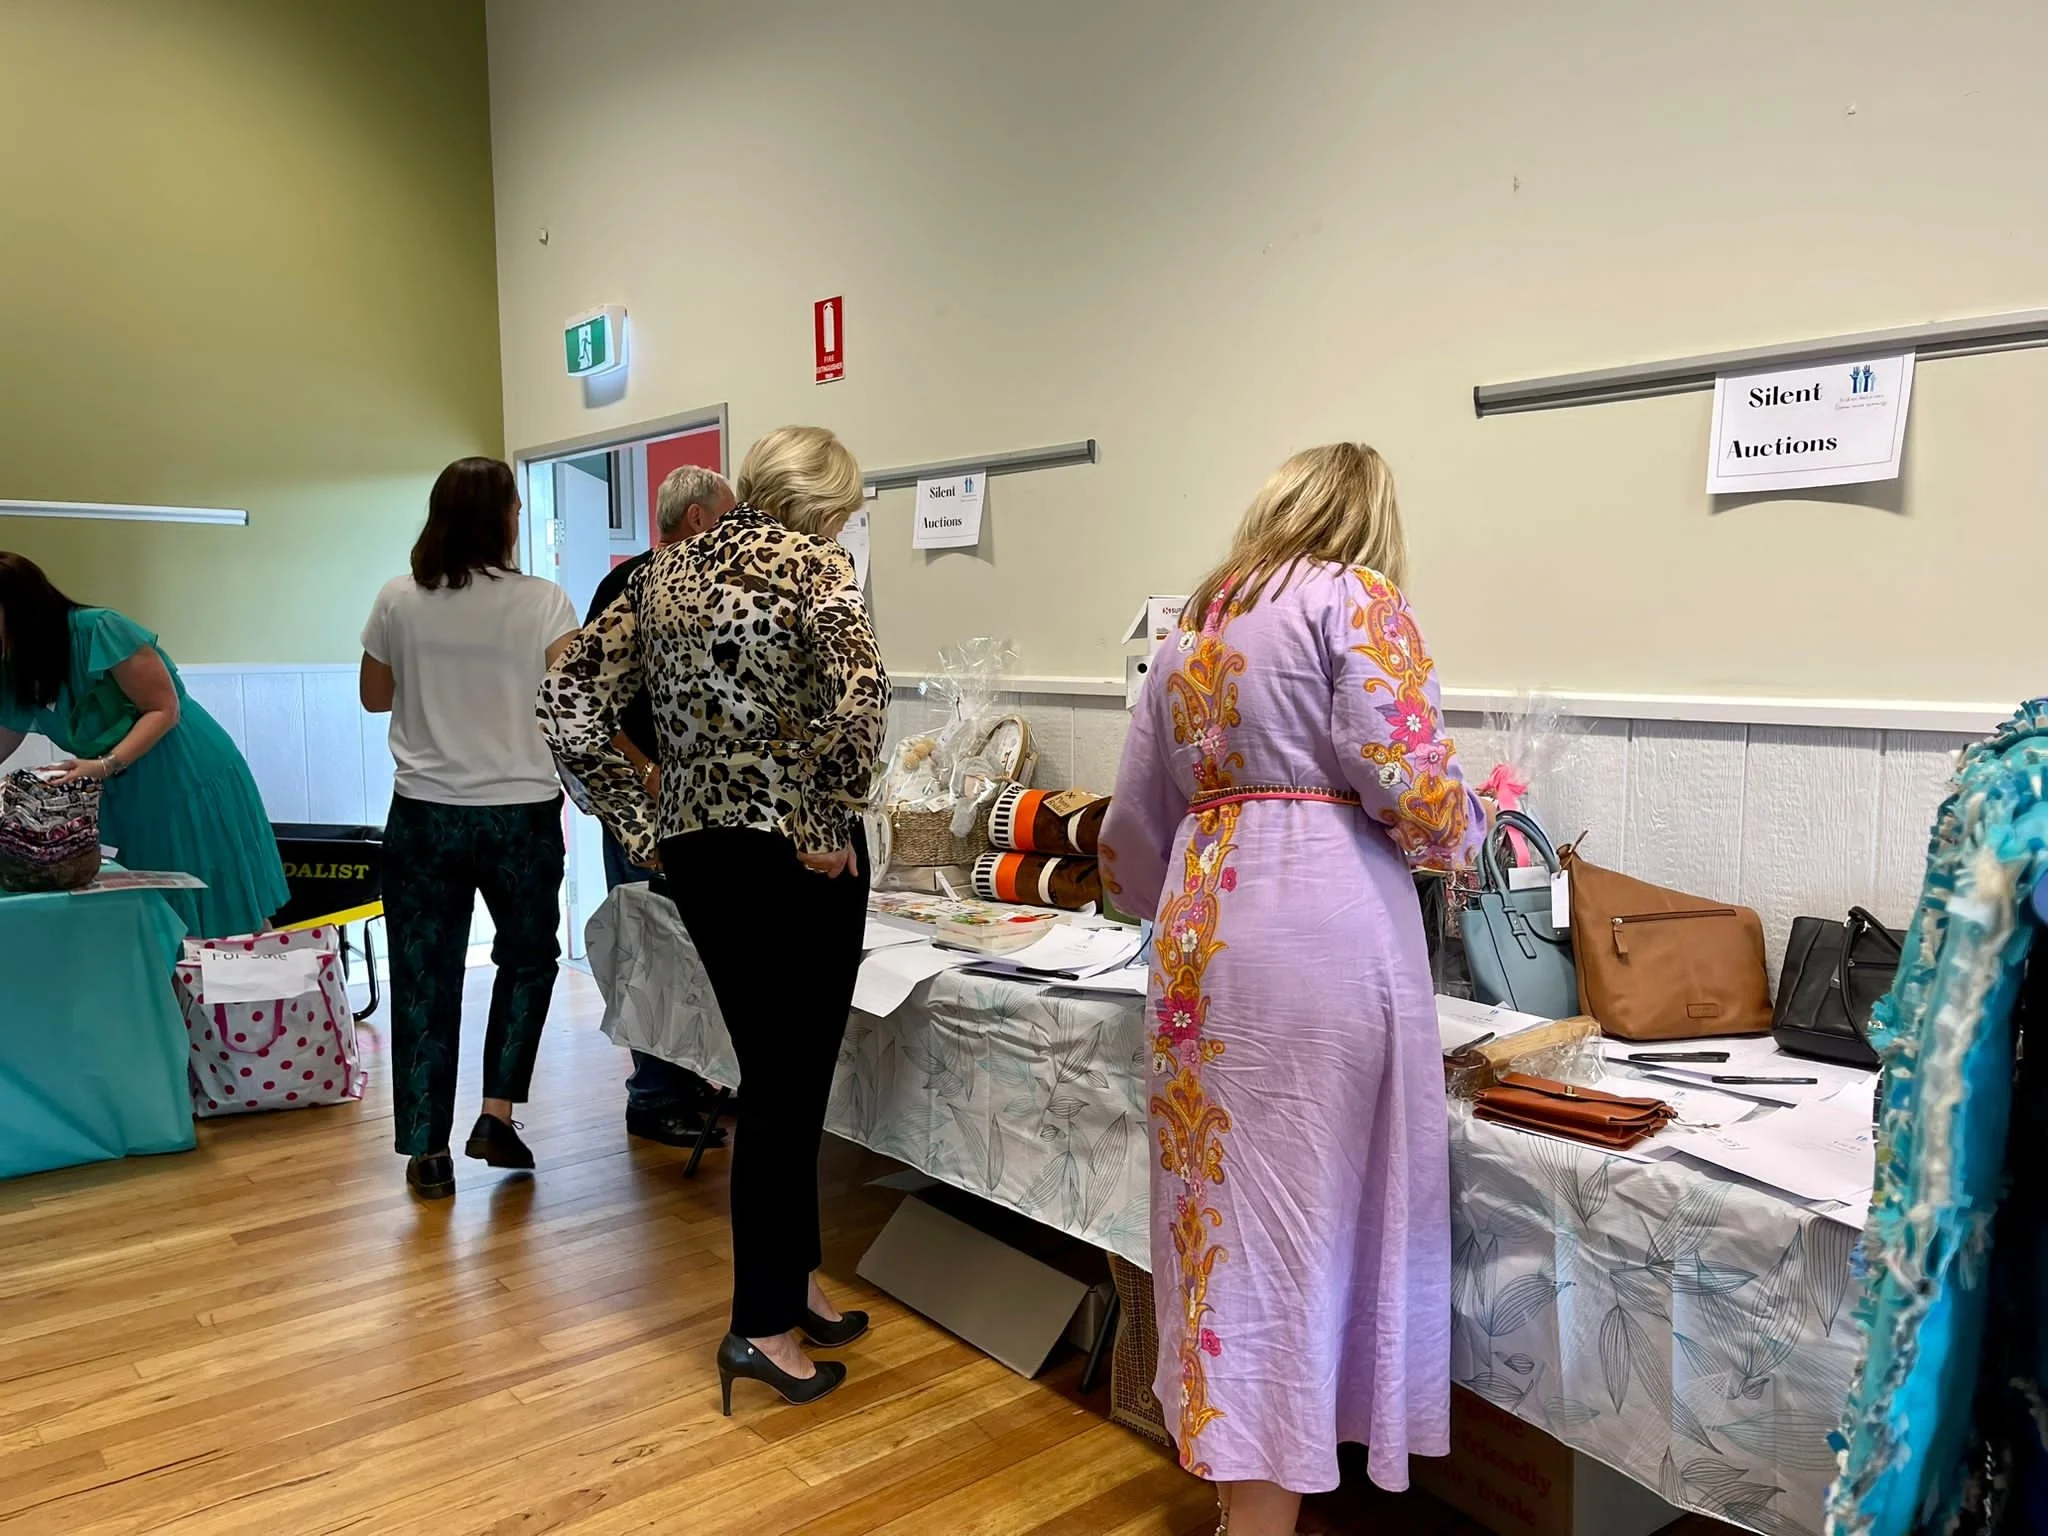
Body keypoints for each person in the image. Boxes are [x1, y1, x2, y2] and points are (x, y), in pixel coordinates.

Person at [1098, 443, 1487, 1536]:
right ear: (1366, 519)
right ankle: (1265, 1513)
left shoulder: (1189, 627)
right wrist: (1464, 831)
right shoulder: (1356, 599)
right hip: (1320, 927)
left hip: (1195, 932)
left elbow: (1132, 831)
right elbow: (1405, 776)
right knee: (1307, 1213)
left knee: (1213, 1211)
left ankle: (1242, 1496)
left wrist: (1170, 882)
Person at [541, 425, 886, 1413]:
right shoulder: (813, 568)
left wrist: (641, 818)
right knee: (788, 1083)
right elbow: (860, 703)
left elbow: (567, 705)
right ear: (823, 505)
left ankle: (795, 1283)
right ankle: (760, 1324)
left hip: (703, 853)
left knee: (776, 1074)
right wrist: (825, 819)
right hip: (793, 854)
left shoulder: (661, 573)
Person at [359, 457, 580, 1201]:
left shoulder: (397, 599)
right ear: (503, 517)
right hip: (521, 812)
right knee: (526, 960)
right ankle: (496, 1113)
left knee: (426, 973)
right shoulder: (545, 603)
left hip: (424, 814)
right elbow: (570, 704)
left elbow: (371, 696)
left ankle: (427, 1150)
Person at [0, 552, 288, 938]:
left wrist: (104, 764)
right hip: (124, 789)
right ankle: (172, 995)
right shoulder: (15, 663)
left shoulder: (99, 630)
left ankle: (238, 993)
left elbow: (163, 709)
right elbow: (5, 733)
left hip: (185, 773)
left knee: (217, 909)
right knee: (156, 920)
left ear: (18, 607)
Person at [581, 464, 736, 1149]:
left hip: (708, 807)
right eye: (730, 519)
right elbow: (585, 702)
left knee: (700, 948)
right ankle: (652, 1093)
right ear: (700, 519)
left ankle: (703, 1076)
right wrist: (644, 771)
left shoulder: (721, 592)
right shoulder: (629, 588)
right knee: (649, 946)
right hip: (642, 804)